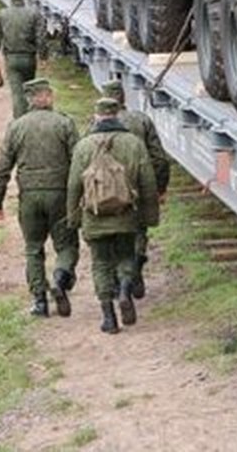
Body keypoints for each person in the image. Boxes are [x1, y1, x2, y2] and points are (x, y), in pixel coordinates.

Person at [0, 78, 80, 317]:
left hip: (29, 197)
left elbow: (2, 169)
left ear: (29, 100)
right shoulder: (64, 124)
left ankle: (40, 301)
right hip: (60, 195)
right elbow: (80, 163)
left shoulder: (16, 127)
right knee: (67, 245)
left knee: (33, 248)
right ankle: (60, 280)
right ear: (48, 96)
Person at [67, 97, 159, 334]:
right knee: (126, 255)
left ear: (96, 116)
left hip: (94, 216)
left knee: (100, 263)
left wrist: (73, 218)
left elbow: (73, 186)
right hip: (126, 215)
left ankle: (109, 317)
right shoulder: (134, 143)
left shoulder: (84, 146)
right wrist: (150, 216)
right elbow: (148, 182)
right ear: (117, 114)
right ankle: (126, 290)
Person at [101, 78, 169, 299]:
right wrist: (160, 187)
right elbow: (159, 158)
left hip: (108, 189)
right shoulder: (141, 120)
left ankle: (117, 279)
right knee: (138, 231)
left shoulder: (96, 126)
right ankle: (135, 269)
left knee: (111, 232)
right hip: (138, 186)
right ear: (122, 97)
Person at [0, 0, 47, 118]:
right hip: (29, 59)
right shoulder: (34, 14)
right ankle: (31, 117)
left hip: (12, 60)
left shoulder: (3, 15)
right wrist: (43, 56)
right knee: (29, 89)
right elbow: (41, 37)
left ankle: (20, 122)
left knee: (17, 94)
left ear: (11, 0)